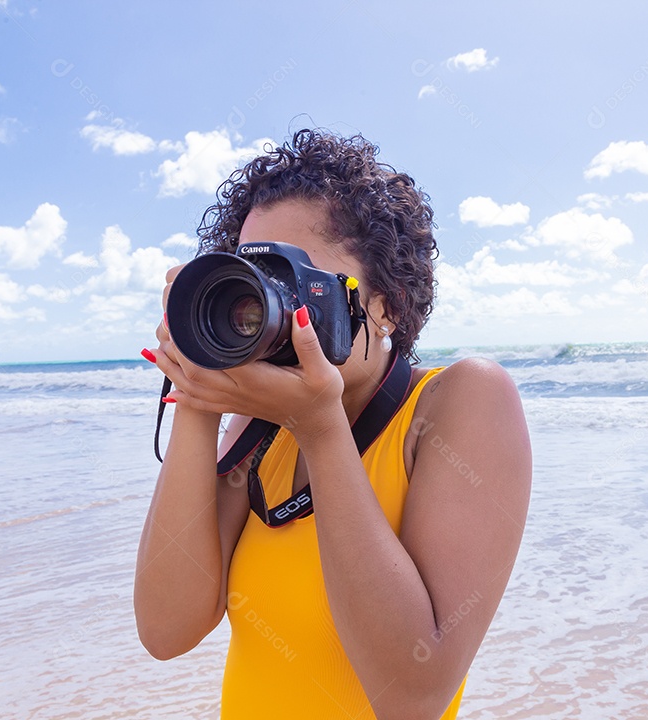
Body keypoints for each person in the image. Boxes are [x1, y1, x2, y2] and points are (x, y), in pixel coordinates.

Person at [136, 128, 531, 720]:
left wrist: (320, 430)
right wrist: (196, 390)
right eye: (254, 278)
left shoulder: (461, 401)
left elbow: (413, 697)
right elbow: (167, 630)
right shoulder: (260, 428)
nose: (268, 304)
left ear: (387, 304)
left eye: (292, 279)